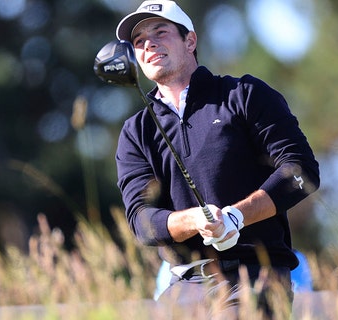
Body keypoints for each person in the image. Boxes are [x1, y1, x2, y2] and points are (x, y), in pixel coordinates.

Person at [113, 1, 320, 318]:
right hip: (184, 284)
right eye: (139, 41)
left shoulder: (243, 95)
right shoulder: (136, 132)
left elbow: (301, 172)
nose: (148, 44)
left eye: (160, 32)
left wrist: (235, 217)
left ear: (190, 41)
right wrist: (195, 220)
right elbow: (142, 221)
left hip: (255, 275)